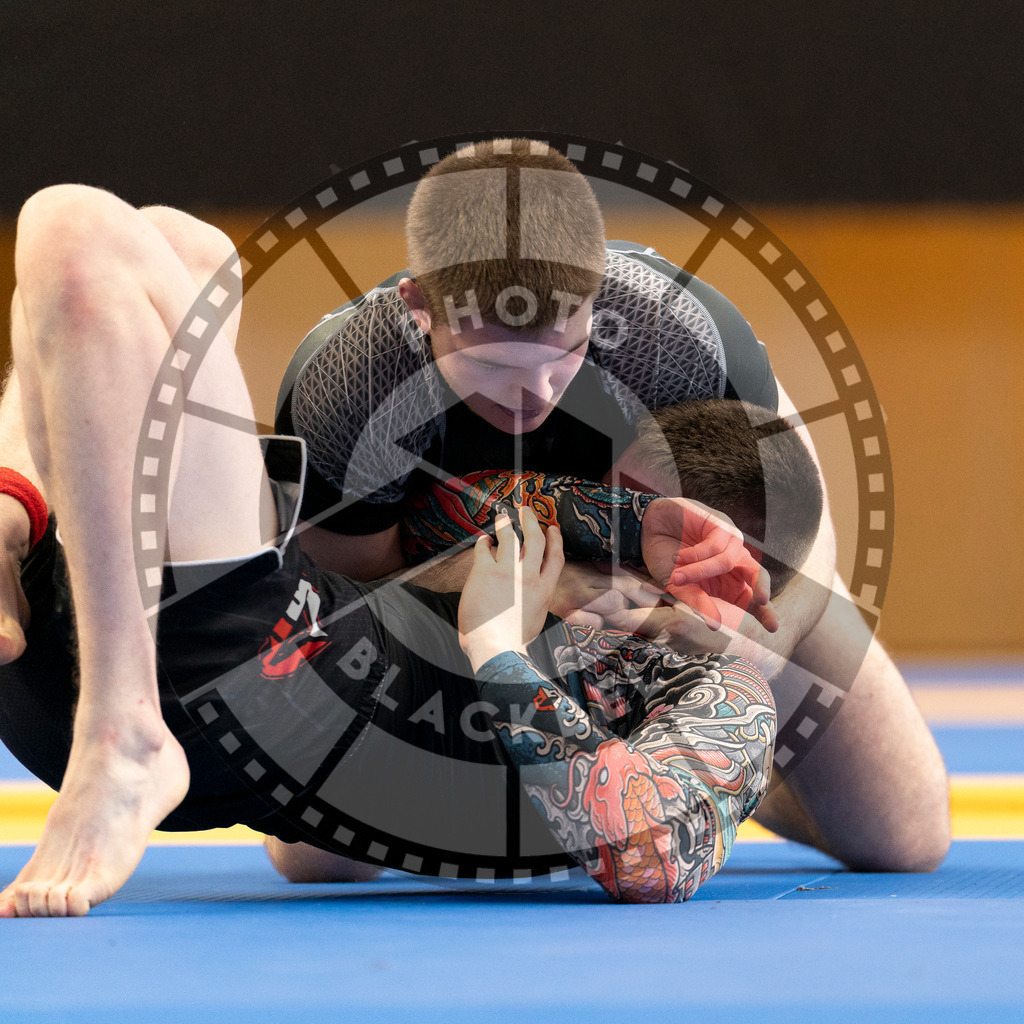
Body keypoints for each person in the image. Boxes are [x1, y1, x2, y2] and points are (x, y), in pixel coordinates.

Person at [0, 184, 774, 915]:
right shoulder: (568, 573)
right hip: (94, 631)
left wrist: (499, 647)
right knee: (187, 249)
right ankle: (11, 517)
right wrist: (621, 526)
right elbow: (448, 515)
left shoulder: (728, 698)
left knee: (72, 230)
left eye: (708, 584)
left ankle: (120, 730)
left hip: (244, 685)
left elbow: (652, 856)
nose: (649, 589)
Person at [275, 138, 950, 871]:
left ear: (597, 298)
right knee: (319, 861)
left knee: (905, 838)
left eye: (562, 354)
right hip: (471, 609)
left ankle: (756, 786)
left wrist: (728, 662)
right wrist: (542, 593)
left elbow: (791, 529)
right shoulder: (349, 390)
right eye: (493, 366)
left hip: (662, 590)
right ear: (417, 309)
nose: (530, 396)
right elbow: (355, 606)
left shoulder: (673, 336)